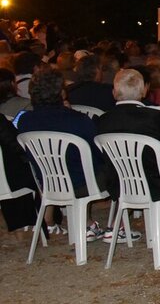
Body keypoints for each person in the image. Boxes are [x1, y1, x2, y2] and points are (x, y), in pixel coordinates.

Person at [17, 68, 109, 241]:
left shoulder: (25, 120)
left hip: (48, 182)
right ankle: (111, 225)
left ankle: (85, 223)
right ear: (62, 92)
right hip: (83, 184)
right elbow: (98, 153)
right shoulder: (79, 120)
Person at [95, 69, 160, 244]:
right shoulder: (156, 116)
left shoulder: (102, 120)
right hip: (157, 185)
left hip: (119, 184)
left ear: (114, 92)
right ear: (144, 91)